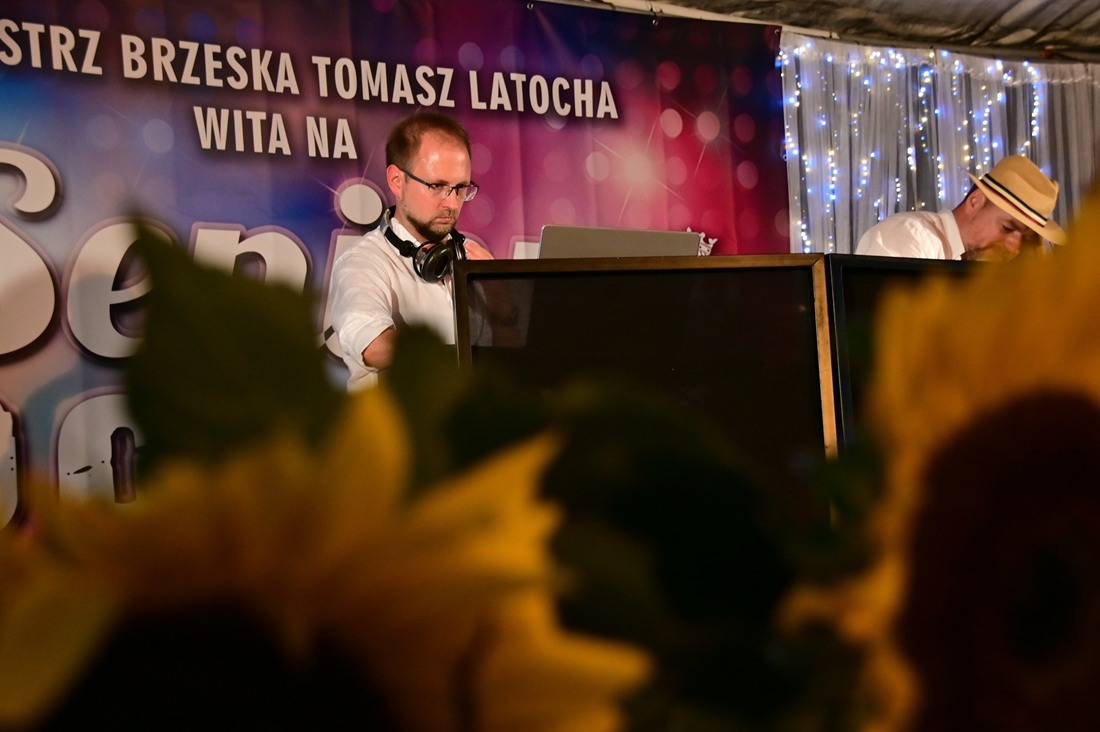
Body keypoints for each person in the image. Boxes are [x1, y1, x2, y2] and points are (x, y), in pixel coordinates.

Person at [328, 112, 495, 390]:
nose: (452, 203)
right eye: (437, 186)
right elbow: (373, 346)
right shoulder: (361, 264)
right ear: (396, 180)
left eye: (460, 188)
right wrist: (465, 357)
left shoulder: (473, 256)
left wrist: (501, 292)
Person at [855, 155, 1067, 261]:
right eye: (1007, 227)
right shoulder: (912, 237)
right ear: (975, 201)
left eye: (1026, 238)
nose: (1014, 248)